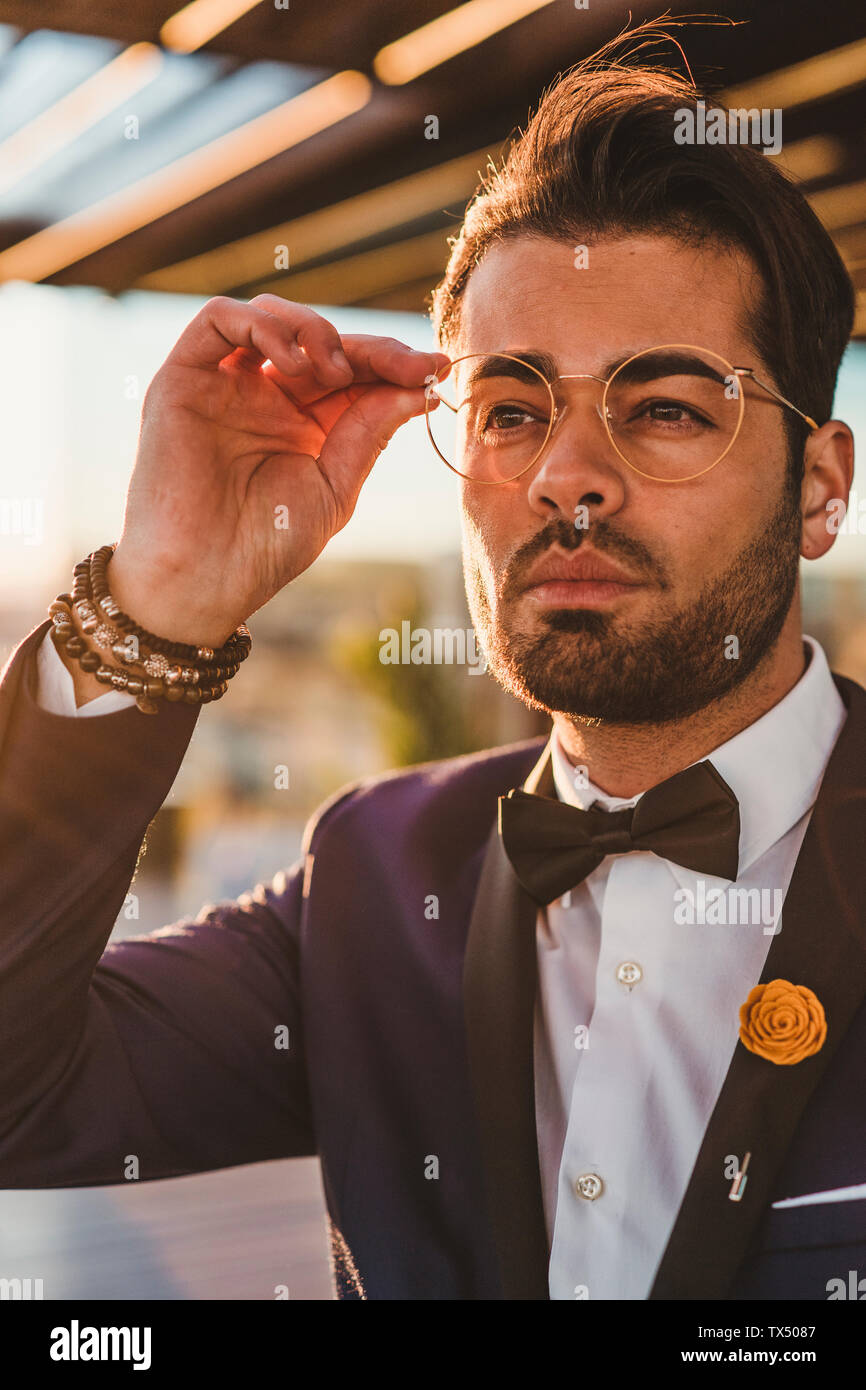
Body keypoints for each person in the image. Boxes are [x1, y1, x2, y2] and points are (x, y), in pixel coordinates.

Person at [0, 35, 861, 1302]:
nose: (564, 474)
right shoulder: (367, 875)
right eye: (511, 410)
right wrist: (159, 607)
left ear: (819, 488)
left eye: (667, 407)